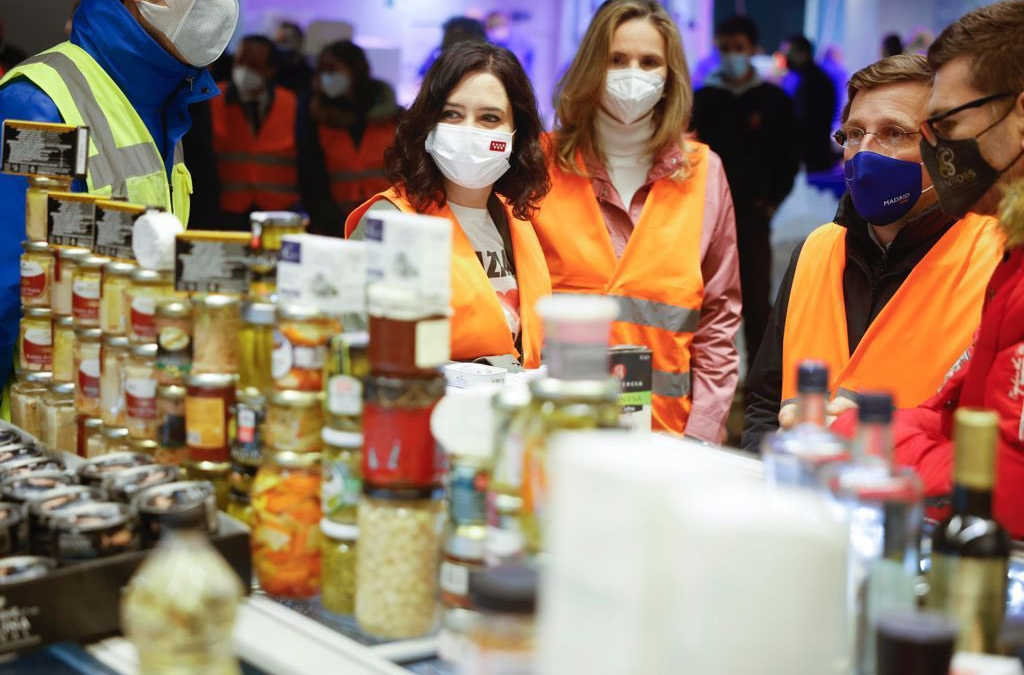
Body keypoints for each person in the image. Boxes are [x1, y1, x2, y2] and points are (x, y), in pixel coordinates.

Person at [742, 54, 1003, 452]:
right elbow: (765, 399)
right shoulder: (816, 250)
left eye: (894, 133)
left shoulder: (994, 259)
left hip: (917, 505)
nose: (864, 153)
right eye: (853, 133)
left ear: (946, 150)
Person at [831, 1, 1024, 537]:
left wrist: (860, 438)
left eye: (949, 124)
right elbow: (959, 409)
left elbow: (1009, 485)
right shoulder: (1014, 256)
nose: (939, 148)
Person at [0, 0, 237, 392]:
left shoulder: (163, 101)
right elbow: (7, 288)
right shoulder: (38, 106)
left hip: (130, 413)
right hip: (50, 426)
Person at [532, 0, 741, 439]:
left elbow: (719, 319)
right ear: (591, 66)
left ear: (669, 77)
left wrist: (702, 432)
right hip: (551, 428)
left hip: (666, 438)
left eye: (650, 62)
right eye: (616, 59)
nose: (633, 73)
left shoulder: (705, 172)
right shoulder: (540, 163)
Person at [345, 41, 552, 369]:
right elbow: (355, 350)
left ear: (516, 135)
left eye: (489, 117)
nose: (469, 131)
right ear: (428, 124)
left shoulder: (515, 219)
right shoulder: (391, 223)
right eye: (452, 114)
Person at [693, 14, 799, 373]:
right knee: (702, 300)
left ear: (752, 49)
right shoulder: (703, 99)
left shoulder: (773, 100)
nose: (732, 55)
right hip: (702, 218)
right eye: (725, 48)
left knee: (755, 304)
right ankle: (702, 378)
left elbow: (788, 157)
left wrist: (770, 201)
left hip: (753, 216)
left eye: (739, 48)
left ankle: (759, 387)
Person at [298, 40, 399, 233]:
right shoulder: (314, 119)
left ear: (356, 70)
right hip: (335, 223)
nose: (326, 75)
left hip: (389, 220)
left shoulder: (392, 117)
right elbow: (310, 179)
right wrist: (330, 220)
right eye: (321, 70)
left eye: (332, 69)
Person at [209, 35, 299, 231]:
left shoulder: (291, 103)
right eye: (240, 61)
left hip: (278, 211)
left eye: (254, 65)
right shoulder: (213, 98)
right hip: (225, 211)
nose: (244, 70)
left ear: (270, 69)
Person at [784, 34, 839, 171]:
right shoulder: (815, 78)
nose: (786, 58)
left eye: (789, 54)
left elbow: (804, 122)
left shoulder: (812, 82)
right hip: (817, 153)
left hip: (811, 157)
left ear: (802, 54)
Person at [418, 16, 488, 79]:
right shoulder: (437, 53)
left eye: (458, 35)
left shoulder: (487, 59)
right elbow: (422, 74)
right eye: (449, 35)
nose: (451, 39)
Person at [274, 21, 313, 94]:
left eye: (287, 40)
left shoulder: (308, 73)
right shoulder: (272, 70)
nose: (284, 47)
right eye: (280, 42)